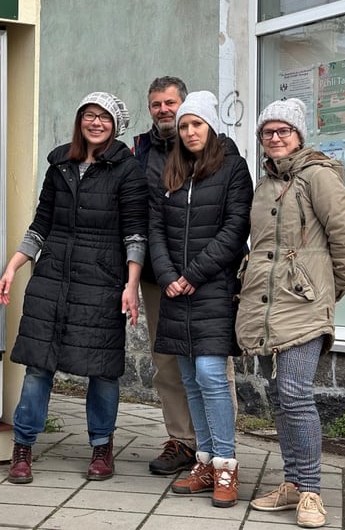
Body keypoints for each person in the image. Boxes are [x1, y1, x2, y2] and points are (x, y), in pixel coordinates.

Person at [0, 91, 148, 484]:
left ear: (116, 126)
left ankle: (101, 447)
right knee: (38, 365)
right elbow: (41, 224)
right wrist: (13, 267)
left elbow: (135, 233)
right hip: (52, 278)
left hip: (102, 279)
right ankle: (23, 447)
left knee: (102, 369)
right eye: (89, 115)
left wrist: (131, 285)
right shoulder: (60, 165)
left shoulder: (127, 170)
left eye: (104, 118)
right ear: (79, 119)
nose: (95, 123)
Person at [236, 98, 345, 528]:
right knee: (282, 397)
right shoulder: (266, 182)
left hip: (305, 304)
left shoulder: (317, 176)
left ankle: (310, 490)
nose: (274, 138)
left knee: (294, 392)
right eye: (267, 132)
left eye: (283, 131)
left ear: (299, 135)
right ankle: (291, 484)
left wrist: (330, 290)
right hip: (270, 305)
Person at [147, 90, 253, 508]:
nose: (190, 132)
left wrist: (192, 274)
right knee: (189, 377)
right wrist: (170, 275)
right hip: (176, 289)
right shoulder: (171, 170)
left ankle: (226, 464)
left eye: (197, 124)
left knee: (211, 375)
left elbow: (234, 230)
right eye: (186, 125)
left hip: (212, 287)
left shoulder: (233, 168)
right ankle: (205, 461)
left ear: (211, 127)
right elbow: (155, 227)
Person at [133, 76, 198, 475]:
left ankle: (215, 445)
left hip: (201, 273)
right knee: (166, 361)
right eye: (156, 104)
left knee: (209, 362)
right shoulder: (139, 150)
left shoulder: (205, 144)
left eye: (170, 103)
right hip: (157, 275)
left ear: (185, 104)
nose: (164, 110)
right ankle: (182, 441)